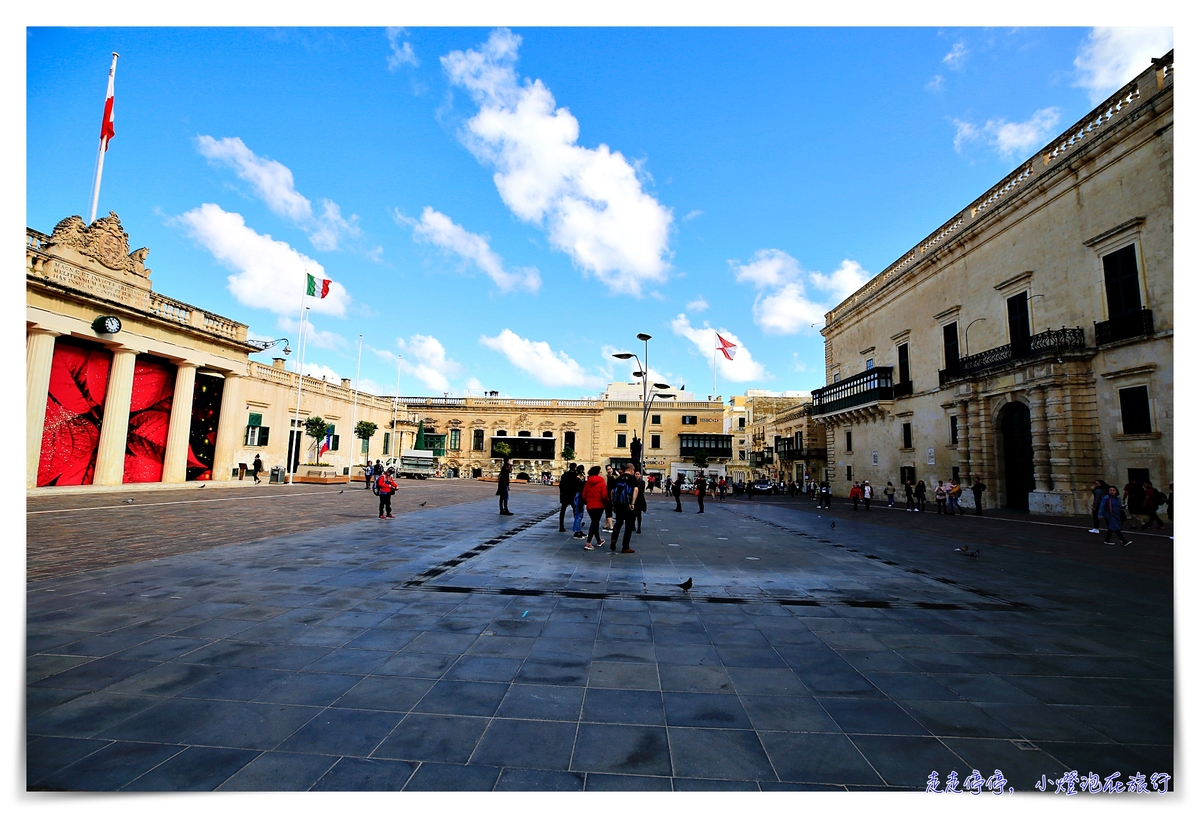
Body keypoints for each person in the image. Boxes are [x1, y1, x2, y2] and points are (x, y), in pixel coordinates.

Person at [608, 463, 640, 553]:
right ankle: (625, 547)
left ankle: (614, 539)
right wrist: (633, 503)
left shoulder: (618, 478)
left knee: (618, 523)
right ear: (631, 469)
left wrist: (613, 504)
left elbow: (612, 491)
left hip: (619, 504)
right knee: (628, 526)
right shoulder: (632, 479)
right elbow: (636, 490)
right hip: (628, 505)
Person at [581, 465, 609, 550]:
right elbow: (604, 495)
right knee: (594, 523)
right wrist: (607, 501)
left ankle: (598, 540)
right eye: (600, 472)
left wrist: (588, 501)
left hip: (590, 506)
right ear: (597, 473)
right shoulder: (601, 481)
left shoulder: (587, 482)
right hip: (599, 506)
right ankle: (588, 543)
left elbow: (583, 495)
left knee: (595, 522)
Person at [558, 463, 579, 532]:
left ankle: (561, 526)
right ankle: (576, 524)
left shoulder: (564, 475)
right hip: (572, 495)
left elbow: (560, 485)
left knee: (563, 511)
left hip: (564, 495)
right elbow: (576, 486)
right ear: (575, 468)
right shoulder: (575, 476)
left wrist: (562, 492)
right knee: (575, 510)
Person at [572, 464, 587, 538]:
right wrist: (585, 479)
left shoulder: (579, 479)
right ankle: (576, 531)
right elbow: (583, 487)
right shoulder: (577, 480)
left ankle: (578, 529)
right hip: (578, 496)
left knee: (580, 515)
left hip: (579, 496)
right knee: (578, 514)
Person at [633, 470, 648, 534]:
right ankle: (633, 526)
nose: (637, 475)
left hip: (639, 499)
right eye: (636, 474)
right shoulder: (632, 481)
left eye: (638, 474)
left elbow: (641, 491)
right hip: (634, 499)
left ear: (640, 475)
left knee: (638, 514)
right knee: (633, 514)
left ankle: (639, 527)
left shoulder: (642, 482)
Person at [604, 465, 617, 531]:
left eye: (610, 469)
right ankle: (611, 527)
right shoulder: (605, 478)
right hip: (607, 496)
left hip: (614, 496)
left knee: (610, 510)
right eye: (608, 469)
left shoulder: (615, 477)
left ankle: (605, 525)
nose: (609, 470)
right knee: (608, 510)